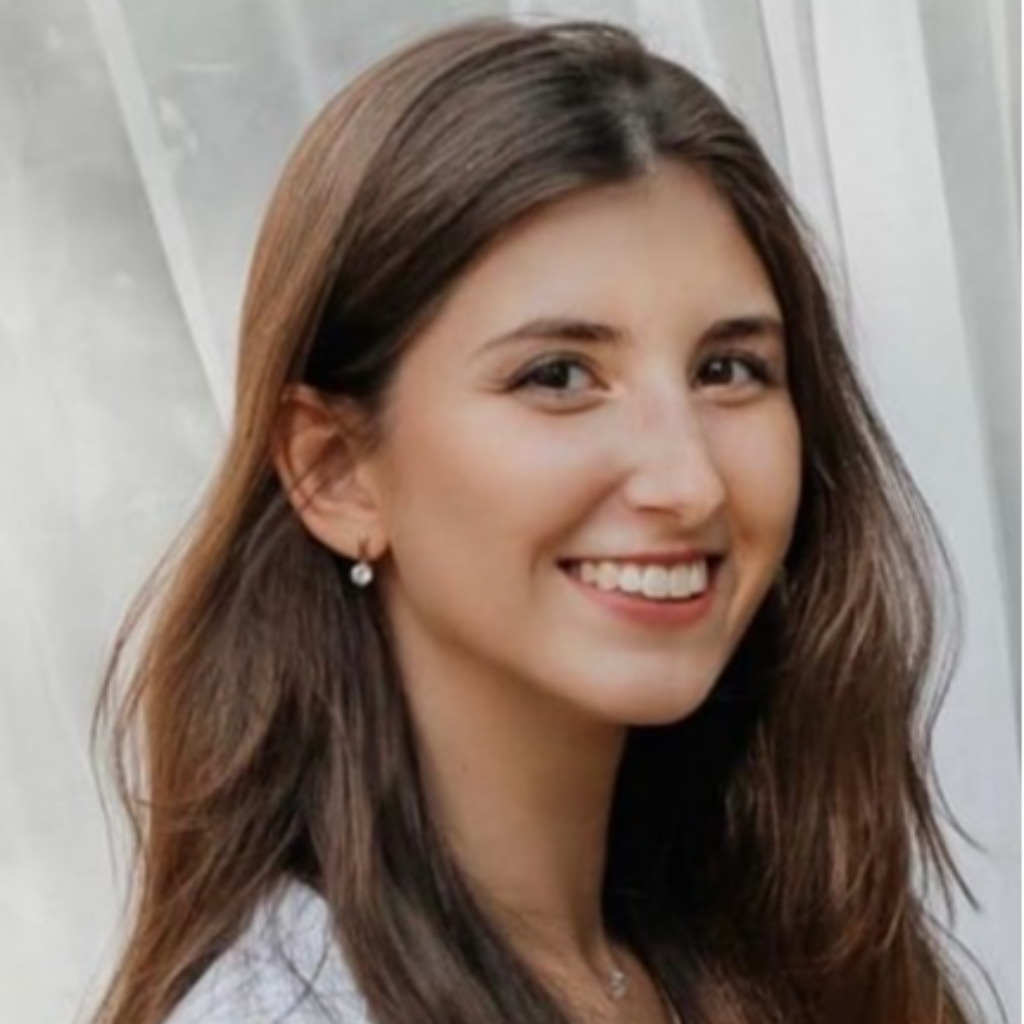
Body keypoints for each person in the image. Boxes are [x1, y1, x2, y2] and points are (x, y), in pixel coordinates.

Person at [87, 16, 988, 1024]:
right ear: (335, 471)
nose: (688, 480)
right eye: (558, 376)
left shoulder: (781, 949)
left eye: (727, 369)